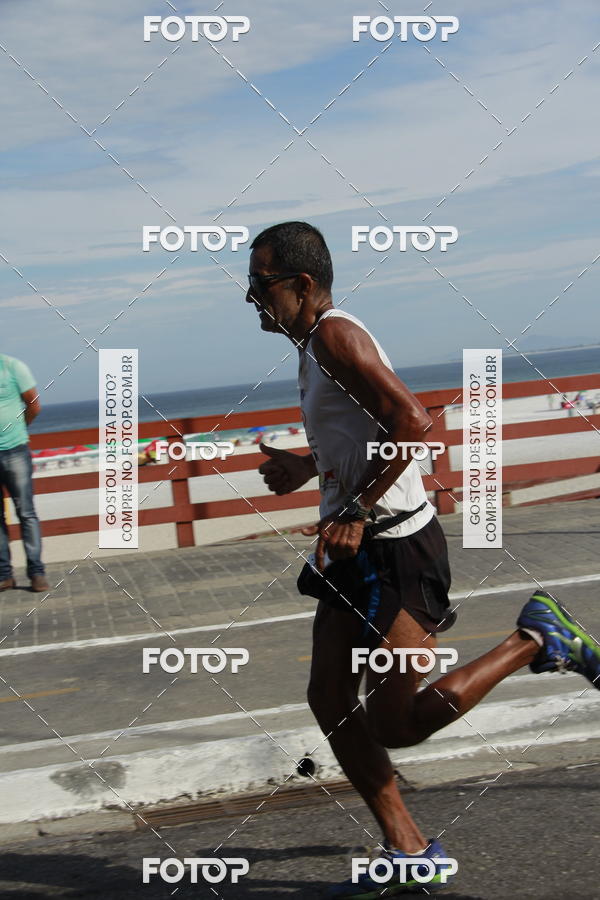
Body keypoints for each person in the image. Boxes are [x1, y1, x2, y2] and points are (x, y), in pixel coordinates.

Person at [248, 222, 600, 896]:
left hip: (396, 549)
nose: (253, 298)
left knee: (396, 723)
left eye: (261, 285)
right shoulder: (315, 344)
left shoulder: (333, 334)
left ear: (301, 284)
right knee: (328, 697)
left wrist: (355, 507)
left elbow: (410, 419)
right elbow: (366, 431)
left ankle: (537, 639)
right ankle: (407, 846)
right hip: (352, 552)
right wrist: (309, 467)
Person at [0, 353, 49, 592]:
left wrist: (19, 429)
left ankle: (36, 572)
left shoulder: (12, 367)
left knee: (26, 512)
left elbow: (33, 404)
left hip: (15, 450)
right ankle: (4, 575)